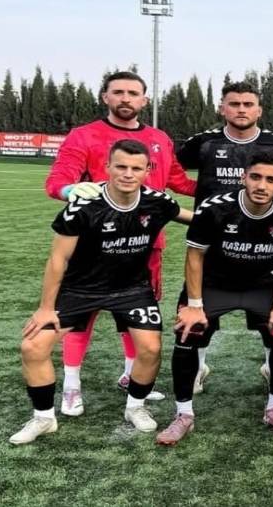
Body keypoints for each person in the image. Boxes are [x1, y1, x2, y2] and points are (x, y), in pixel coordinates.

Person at [9, 140, 192, 445]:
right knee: (33, 347)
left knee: (150, 348)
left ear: (147, 171)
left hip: (132, 290)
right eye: (121, 166)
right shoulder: (84, 206)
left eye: (136, 168)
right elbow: (58, 259)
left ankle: (135, 407)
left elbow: (194, 219)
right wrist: (45, 308)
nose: (128, 174)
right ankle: (43, 417)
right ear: (107, 167)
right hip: (79, 289)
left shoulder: (157, 202)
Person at [44, 70, 196, 415]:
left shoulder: (159, 138)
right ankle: (71, 385)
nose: (126, 98)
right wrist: (69, 190)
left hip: (145, 244)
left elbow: (178, 181)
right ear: (105, 97)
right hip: (92, 246)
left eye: (133, 93)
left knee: (136, 311)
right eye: (118, 92)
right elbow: (58, 180)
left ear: (145, 99)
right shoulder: (84, 135)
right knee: (82, 314)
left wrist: (229, 192)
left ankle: (130, 375)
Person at [156, 152, 273, 445]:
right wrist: (194, 305)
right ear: (243, 177)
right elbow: (195, 255)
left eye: (271, 179)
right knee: (189, 330)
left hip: (263, 284)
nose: (261, 185)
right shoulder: (215, 208)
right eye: (255, 177)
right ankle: (183, 414)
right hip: (215, 283)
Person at [176, 81, 273, 389]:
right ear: (222, 108)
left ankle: (271, 367)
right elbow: (173, 172)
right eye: (234, 104)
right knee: (197, 315)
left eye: (247, 104)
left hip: (264, 241)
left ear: (259, 110)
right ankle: (198, 368)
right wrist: (190, 207)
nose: (241, 110)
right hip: (211, 241)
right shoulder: (202, 142)